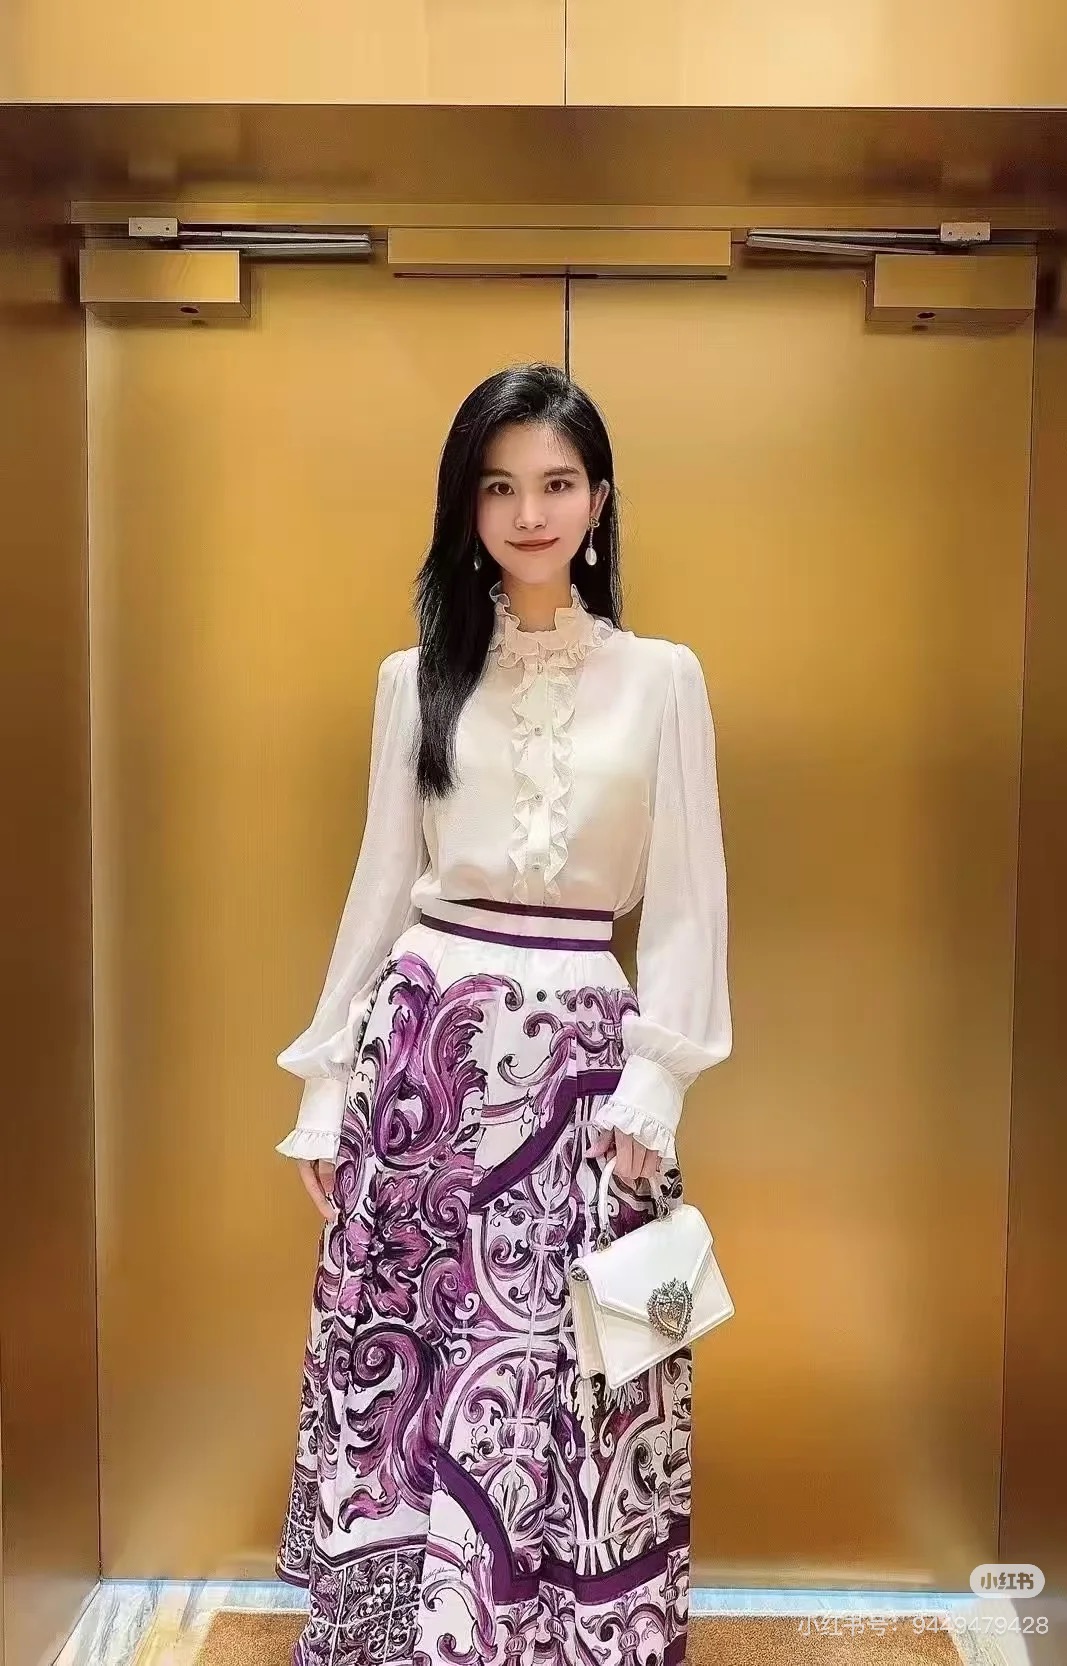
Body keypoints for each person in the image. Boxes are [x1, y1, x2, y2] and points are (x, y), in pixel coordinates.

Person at [273, 362, 733, 1666]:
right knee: (416, 1365)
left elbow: (689, 901)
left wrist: (660, 1083)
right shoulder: (412, 677)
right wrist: (325, 1088)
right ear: (464, 505)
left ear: (599, 500)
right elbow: (379, 888)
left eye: (557, 483)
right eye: (499, 486)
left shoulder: (664, 679)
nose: (530, 514)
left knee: (583, 1365)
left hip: (586, 1076)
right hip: (423, 1064)